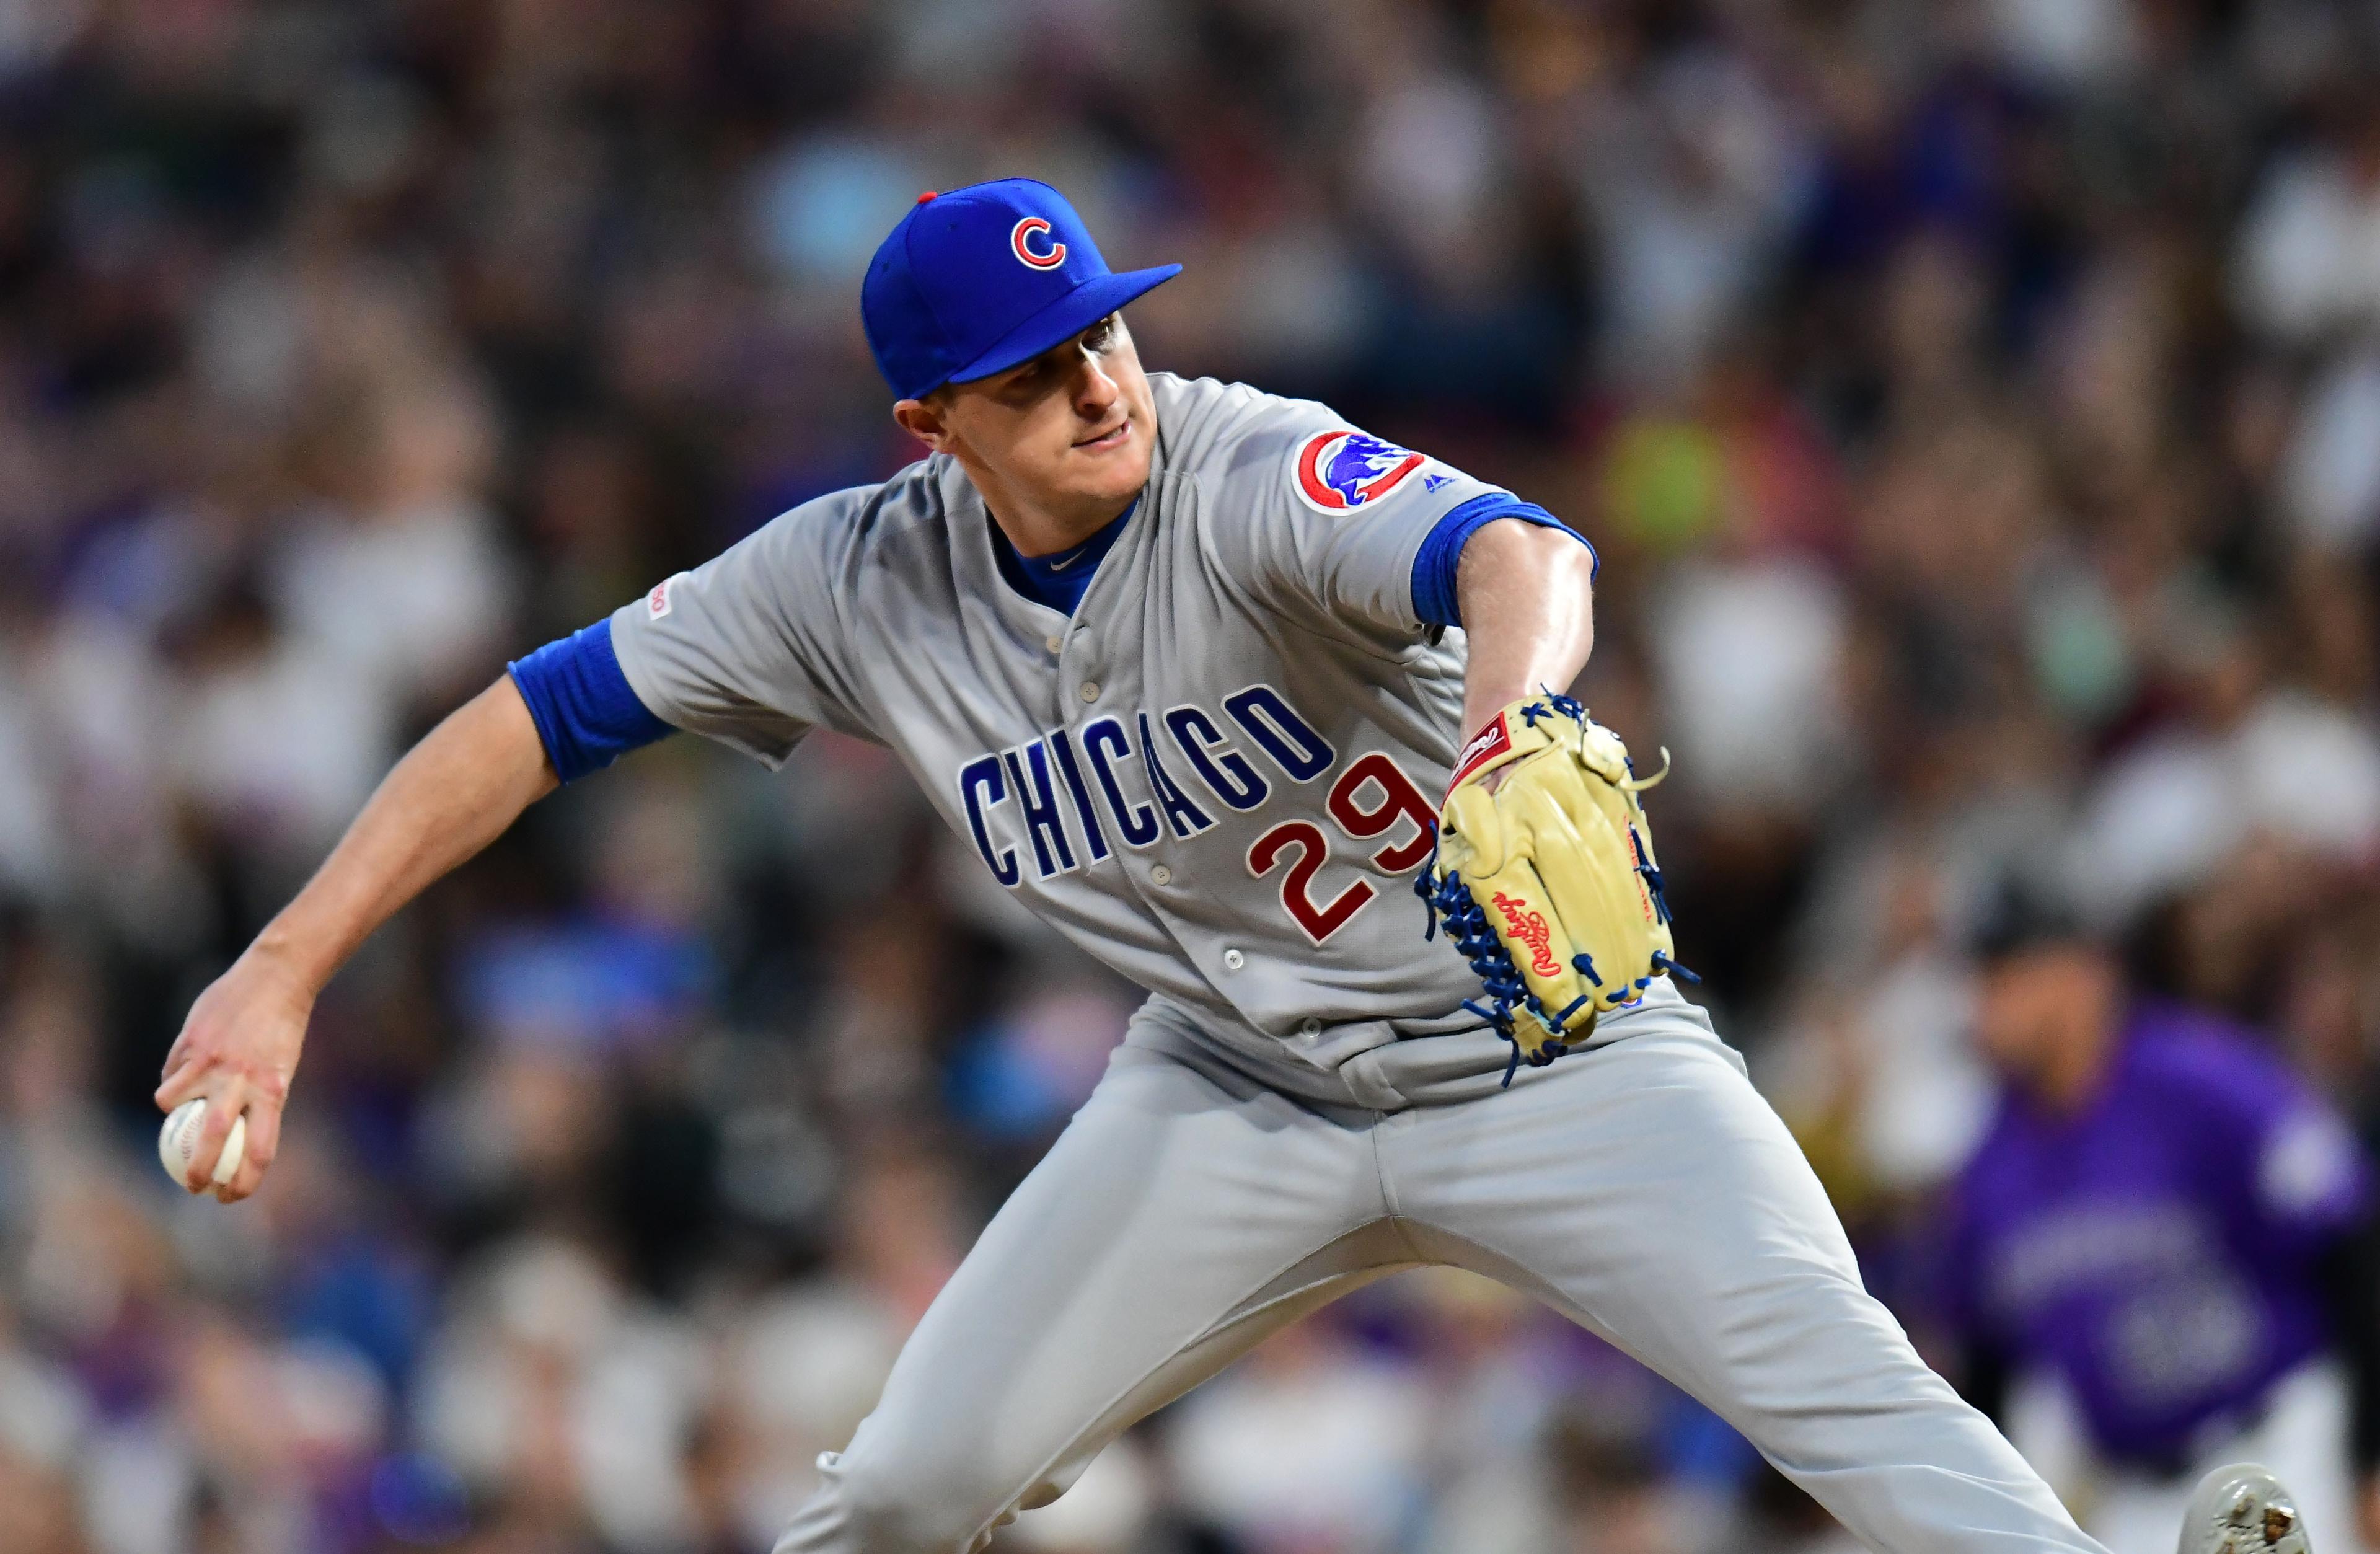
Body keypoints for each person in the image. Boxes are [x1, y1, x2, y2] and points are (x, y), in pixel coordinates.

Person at [154, 177, 2296, 1553]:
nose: (1099, 374)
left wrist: (1514, 718)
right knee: (902, 1482)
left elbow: (1513, 552)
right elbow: (535, 718)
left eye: (1102, 323)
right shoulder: (848, 583)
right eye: (1036, 362)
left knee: (1857, 1397)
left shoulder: (1244, 462)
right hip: (1235, 1092)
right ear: (933, 426)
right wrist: (284, 961)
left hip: (1549, 1050)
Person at [1940, 886, 2380, 1553]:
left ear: (2085, 971)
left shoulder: (2204, 1079)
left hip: (2284, 1452)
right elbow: (1987, 1362)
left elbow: (2352, 1244)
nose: (1988, 1002)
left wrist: (2372, 1453)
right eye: (1985, 977)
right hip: (2132, 1496)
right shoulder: (1990, 1159)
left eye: (2009, 972)